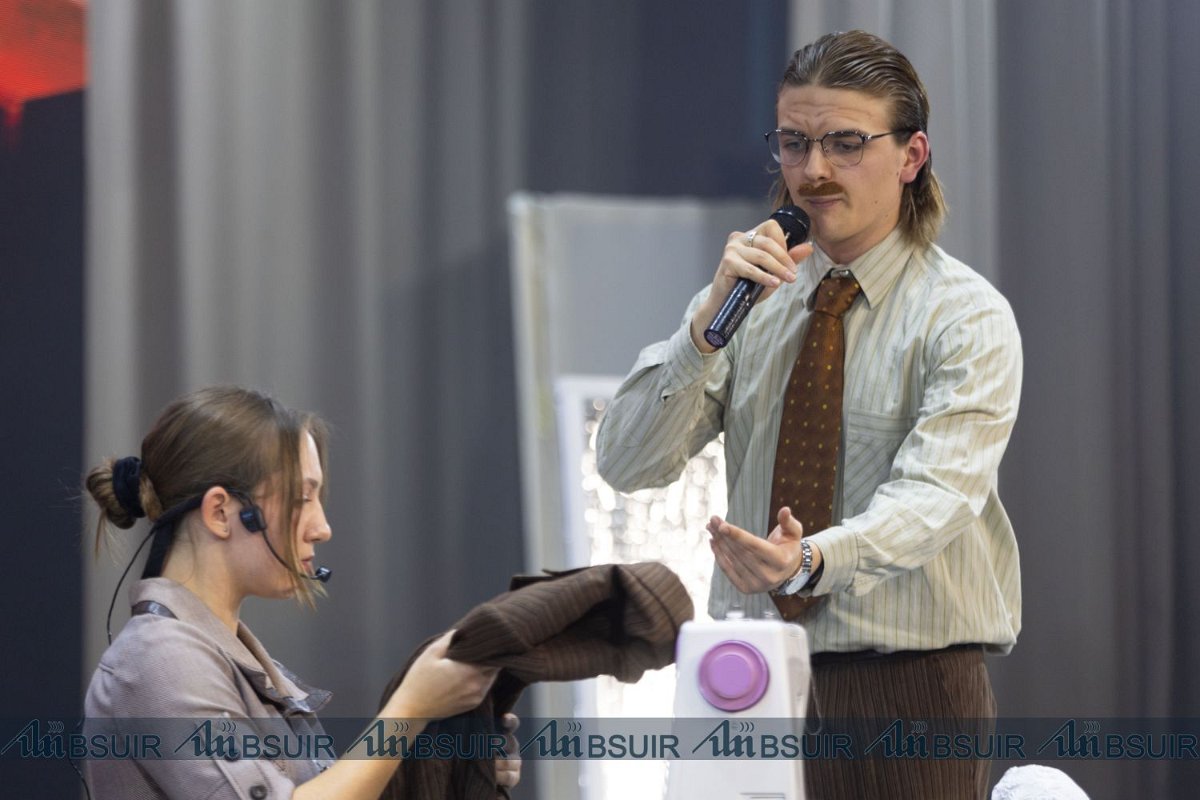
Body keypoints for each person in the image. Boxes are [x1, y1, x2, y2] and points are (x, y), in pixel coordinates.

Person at [596, 30, 1021, 798]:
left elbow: (937, 498)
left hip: (904, 686)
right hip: (745, 675)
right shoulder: (746, 302)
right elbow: (625, 464)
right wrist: (701, 335)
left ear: (912, 156)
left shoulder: (965, 316)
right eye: (795, 143)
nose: (814, 170)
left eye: (845, 144)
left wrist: (810, 562)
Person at [83, 385, 521, 799]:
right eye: (300, 499)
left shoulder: (236, 666)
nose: (322, 527)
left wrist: (447, 768)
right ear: (220, 512)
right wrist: (409, 711)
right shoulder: (161, 658)